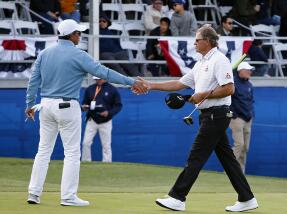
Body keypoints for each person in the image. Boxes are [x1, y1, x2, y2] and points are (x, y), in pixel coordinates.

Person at [25, 19, 147, 206]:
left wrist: (30, 105)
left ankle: (33, 193)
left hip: (45, 105)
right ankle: (68, 197)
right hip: (67, 106)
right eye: (78, 33)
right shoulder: (79, 54)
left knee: (43, 151)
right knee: (72, 153)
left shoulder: (45, 53)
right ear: (72, 35)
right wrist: (131, 81)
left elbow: (33, 81)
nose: (80, 36)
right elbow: (105, 73)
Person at [139, 25, 258, 212]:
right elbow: (179, 83)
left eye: (197, 39)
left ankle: (177, 197)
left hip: (217, 114)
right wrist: (151, 86)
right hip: (207, 115)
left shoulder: (220, 60)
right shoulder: (200, 63)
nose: (194, 42)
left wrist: (203, 94)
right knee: (228, 160)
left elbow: (229, 89)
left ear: (208, 41)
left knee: (196, 156)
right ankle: (247, 198)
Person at [81, 76, 122, 163]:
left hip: (106, 121)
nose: (97, 80)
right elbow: (84, 103)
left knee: (106, 145)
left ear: (105, 78)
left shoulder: (112, 89)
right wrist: (84, 107)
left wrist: (109, 113)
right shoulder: (90, 89)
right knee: (85, 143)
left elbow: (118, 105)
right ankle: (85, 162)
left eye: (99, 79)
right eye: (96, 79)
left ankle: (107, 163)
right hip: (92, 120)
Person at [229, 62, 255, 174]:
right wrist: (233, 114)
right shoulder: (232, 83)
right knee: (239, 145)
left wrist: (251, 114)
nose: (250, 72)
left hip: (248, 119)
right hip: (237, 119)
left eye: (250, 70)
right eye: (248, 70)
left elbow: (251, 101)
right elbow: (227, 101)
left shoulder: (249, 84)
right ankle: (230, 169)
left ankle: (240, 171)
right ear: (241, 71)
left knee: (245, 147)